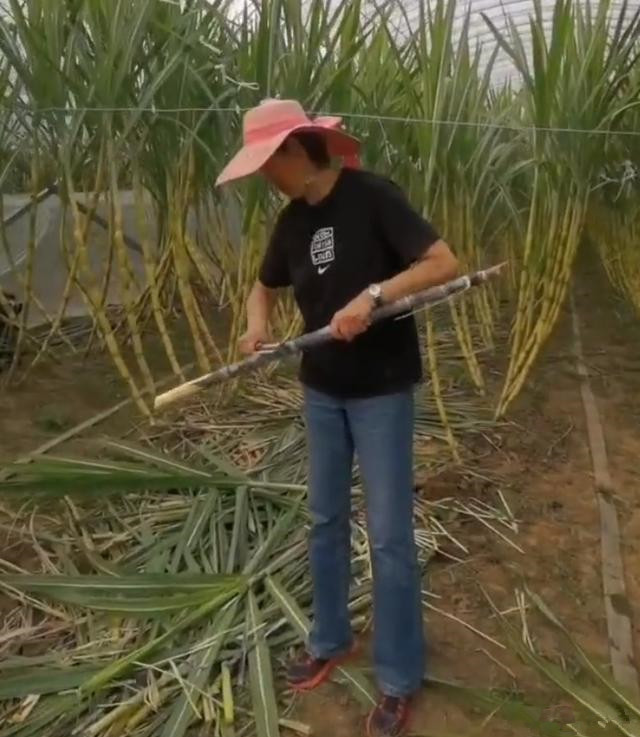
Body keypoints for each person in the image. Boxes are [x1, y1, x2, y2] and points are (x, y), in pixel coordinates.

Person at [216, 99, 458, 737]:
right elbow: (263, 285)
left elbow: (443, 263)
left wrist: (374, 296)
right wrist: (258, 326)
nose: (268, 177)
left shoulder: (374, 198)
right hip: (321, 390)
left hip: (381, 391)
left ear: (298, 151)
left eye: (270, 164)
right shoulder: (292, 222)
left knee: (388, 538)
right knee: (324, 521)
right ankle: (331, 639)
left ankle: (400, 679)